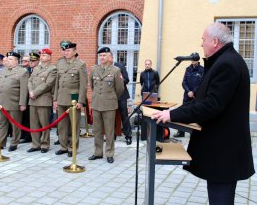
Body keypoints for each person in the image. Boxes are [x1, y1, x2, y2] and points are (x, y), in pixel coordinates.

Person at [151, 22, 255, 205]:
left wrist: (172, 116)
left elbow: (211, 105)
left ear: (214, 41)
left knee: (220, 200)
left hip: (224, 153)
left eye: (203, 40)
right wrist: (174, 111)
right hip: (221, 152)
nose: (201, 44)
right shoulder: (223, 61)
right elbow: (201, 100)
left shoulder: (227, 64)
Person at [88, 47, 124, 163]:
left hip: (109, 104)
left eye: (104, 55)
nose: (102, 57)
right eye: (100, 55)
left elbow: (119, 89)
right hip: (96, 103)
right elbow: (92, 86)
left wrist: (110, 97)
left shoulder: (115, 71)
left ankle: (109, 153)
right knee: (97, 130)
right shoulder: (94, 69)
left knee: (109, 131)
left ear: (109, 57)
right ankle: (98, 152)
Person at [0, 52, 29, 152]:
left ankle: (14, 143)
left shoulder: (22, 72)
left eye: (11, 59)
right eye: (8, 58)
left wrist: (22, 103)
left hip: (13, 102)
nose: (8, 60)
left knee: (15, 124)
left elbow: (24, 89)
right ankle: (0, 143)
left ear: (16, 60)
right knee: (1, 124)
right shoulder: (3, 70)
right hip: (1, 103)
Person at [53, 42, 87, 157]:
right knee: (62, 125)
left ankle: (72, 147)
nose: (66, 53)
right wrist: (55, 99)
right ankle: (63, 146)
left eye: (68, 51)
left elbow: (83, 85)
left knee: (74, 125)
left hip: (74, 98)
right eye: (64, 51)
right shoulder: (60, 63)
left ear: (74, 52)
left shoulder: (80, 64)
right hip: (61, 97)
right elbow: (57, 83)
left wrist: (81, 101)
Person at [27, 48, 57, 153]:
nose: (42, 57)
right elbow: (30, 80)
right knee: (34, 123)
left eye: (44, 55)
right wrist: (31, 91)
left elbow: (48, 84)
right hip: (33, 99)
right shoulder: (37, 68)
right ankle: (35, 144)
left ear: (49, 57)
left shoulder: (52, 69)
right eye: (41, 55)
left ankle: (45, 144)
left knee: (44, 124)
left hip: (43, 99)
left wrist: (35, 92)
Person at [173, 57, 204, 138]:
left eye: (194, 59)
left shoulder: (202, 70)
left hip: (196, 96)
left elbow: (202, 83)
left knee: (195, 113)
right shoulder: (188, 69)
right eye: (192, 59)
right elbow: (184, 82)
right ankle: (181, 132)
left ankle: (194, 133)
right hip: (187, 95)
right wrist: (188, 91)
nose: (193, 61)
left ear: (198, 60)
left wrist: (193, 92)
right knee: (183, 112)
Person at [109, 53, 132, 145]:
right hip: (110, 96)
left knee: (124, 116)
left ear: (111, 57)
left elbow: (127, 79)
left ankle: (128, 136)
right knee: (110, 117)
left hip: (121, 95)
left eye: (108, 56)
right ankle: (112, 136)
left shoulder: (120, 66)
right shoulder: (104, 68)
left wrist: (118, 80)